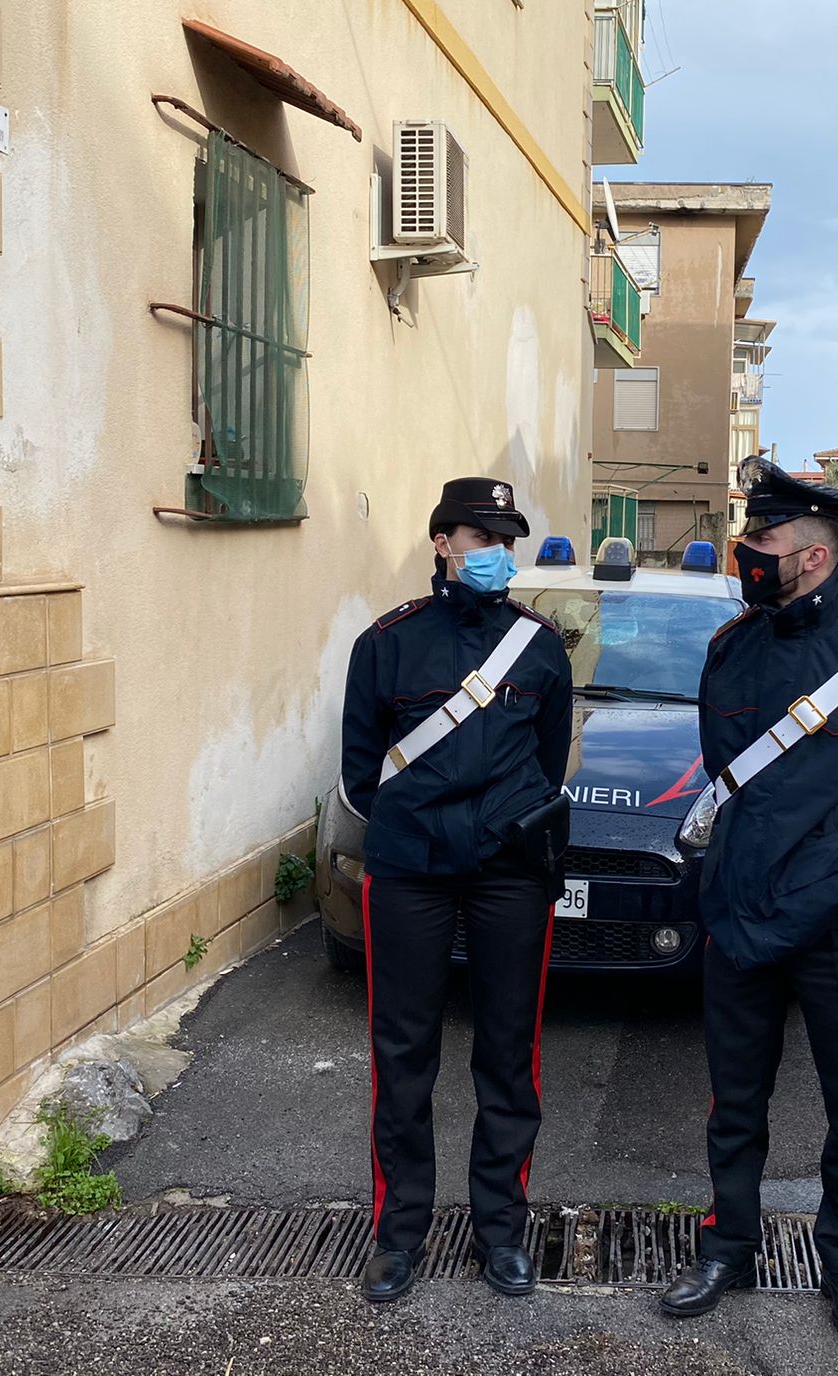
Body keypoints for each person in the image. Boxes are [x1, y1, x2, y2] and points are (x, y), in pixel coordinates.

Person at [658, 456, 838, 1341]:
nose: (748, 551)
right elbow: (727, 773)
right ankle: (727, 1248)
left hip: (837, 921)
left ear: (814, 558)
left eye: (764, 539)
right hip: (741, 912)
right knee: (733, 1097)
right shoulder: (728, 651)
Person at [338, 477, 572, 1304]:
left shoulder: (540, 646)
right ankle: (398, 1235)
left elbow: (548, 761)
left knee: (509, 1054)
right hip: (411, 873)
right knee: (404, 1056)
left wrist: (495, 825)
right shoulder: (388, 644)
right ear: (442, 544)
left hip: (510, 873)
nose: (496, 555)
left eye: (506, 540)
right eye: (481, 540)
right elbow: (361, 775)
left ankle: (501, 1232)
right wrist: (427, 828)